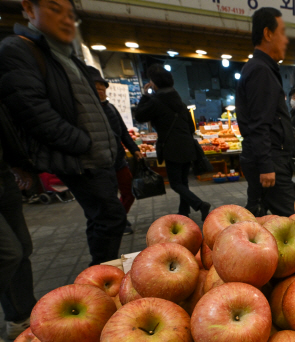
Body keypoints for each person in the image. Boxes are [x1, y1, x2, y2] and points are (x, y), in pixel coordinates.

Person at [0, 0, 127, 267]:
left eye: (70, 14)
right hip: (82, 158)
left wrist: (110, 147)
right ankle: (102, 278)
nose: (66, 20)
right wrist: (81, 143)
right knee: (109, 217)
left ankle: (103, 274)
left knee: (106, 218)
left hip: (98, 156)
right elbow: (31, 109)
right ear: (30, 8)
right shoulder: (20, 49)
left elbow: (90, 105)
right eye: (55, 9)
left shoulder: (66, 57)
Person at [236, 7, 295, 217]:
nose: (286, 40)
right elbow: (259, 123)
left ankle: (243, 245)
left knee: (258, 212)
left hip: (267, 156)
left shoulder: (261, 68)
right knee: (293, 220)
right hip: (269, 158)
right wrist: (266, 164)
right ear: (268, 33)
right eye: (282, 32)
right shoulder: (261, 70)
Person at [135, 64, 211, 220]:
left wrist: (145, 95)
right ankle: (184, 211)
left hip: (171, 147)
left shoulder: (155, 102)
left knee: (176, 183)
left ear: (154, 84)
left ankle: (200, 204)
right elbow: (191, 126)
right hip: (188, 146)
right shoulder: (180, 102)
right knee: (183, 181)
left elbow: (139, 116)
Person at [88, 67, 143, 235]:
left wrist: (135, 150)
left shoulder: (111, 108)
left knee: (129, 192)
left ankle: (120, 218)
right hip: (99, 163)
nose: (100, 91)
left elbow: (124, 133)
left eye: (102, 88)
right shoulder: (88, 112)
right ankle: (118, 222)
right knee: (108, 198)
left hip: (118, 160)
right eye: (96, 88)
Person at [0, 141, 37, 342]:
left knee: (23, 248)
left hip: (4, 173)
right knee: (8, 253)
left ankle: (20, 315)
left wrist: (19, 163)